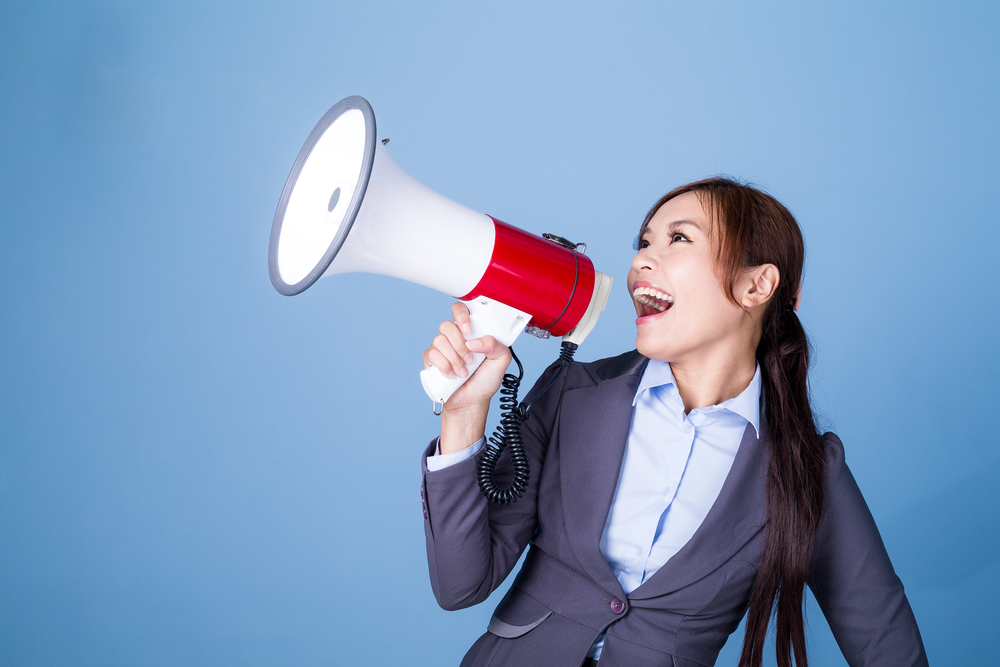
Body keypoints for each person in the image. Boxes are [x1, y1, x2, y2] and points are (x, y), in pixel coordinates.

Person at [418, 177, 927, 667]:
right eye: (643, 242)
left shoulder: (808, 470)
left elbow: (884, 636)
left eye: (678, 238)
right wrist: (464, 415)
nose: (641, 259)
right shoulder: (572, 394)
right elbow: (460, 584)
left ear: (757, 285)